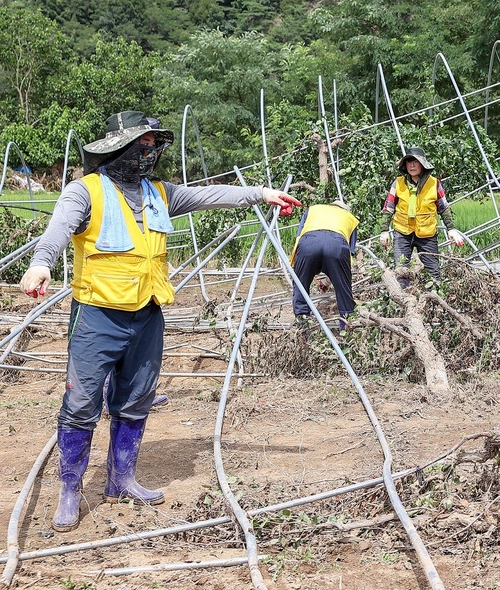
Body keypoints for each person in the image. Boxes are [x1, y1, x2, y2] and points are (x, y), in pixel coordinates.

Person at [19, 111, 301, 532]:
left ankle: (122, 479)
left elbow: (210, 195)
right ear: (118, 148)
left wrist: (262, 194)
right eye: (142, 144)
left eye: (154, 145)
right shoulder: (86, 192)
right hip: (97, 316)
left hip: (148, 315)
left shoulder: (160, 194)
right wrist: (41, 264)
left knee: (135, 400)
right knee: (81, 406)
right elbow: (58, 230)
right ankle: (71, 489)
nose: (149, 152)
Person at [379, 147, 463, 280]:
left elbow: (444, 208)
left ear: (422, 164)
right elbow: (388, 207)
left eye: (415, 161)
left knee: (433, 274)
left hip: (426, 234)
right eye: (409, 162)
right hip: (403, 232)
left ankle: (433, 298)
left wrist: (451, 229)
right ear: (405, 165)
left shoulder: (434, 183)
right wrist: (384, 231)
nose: (412, 165)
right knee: (401, 273)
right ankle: (404, 299)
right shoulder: (398, 183)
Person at [290, 200, 359, 329]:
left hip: (308, 243)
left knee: (300, 286)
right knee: (344, 290)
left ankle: (302, 327)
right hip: (337, 245)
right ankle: (347, 329)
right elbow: (345, 261)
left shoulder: (313, 209)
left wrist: (306, 270)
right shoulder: (350, 218)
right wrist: (330, 280)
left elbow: (299, 237)